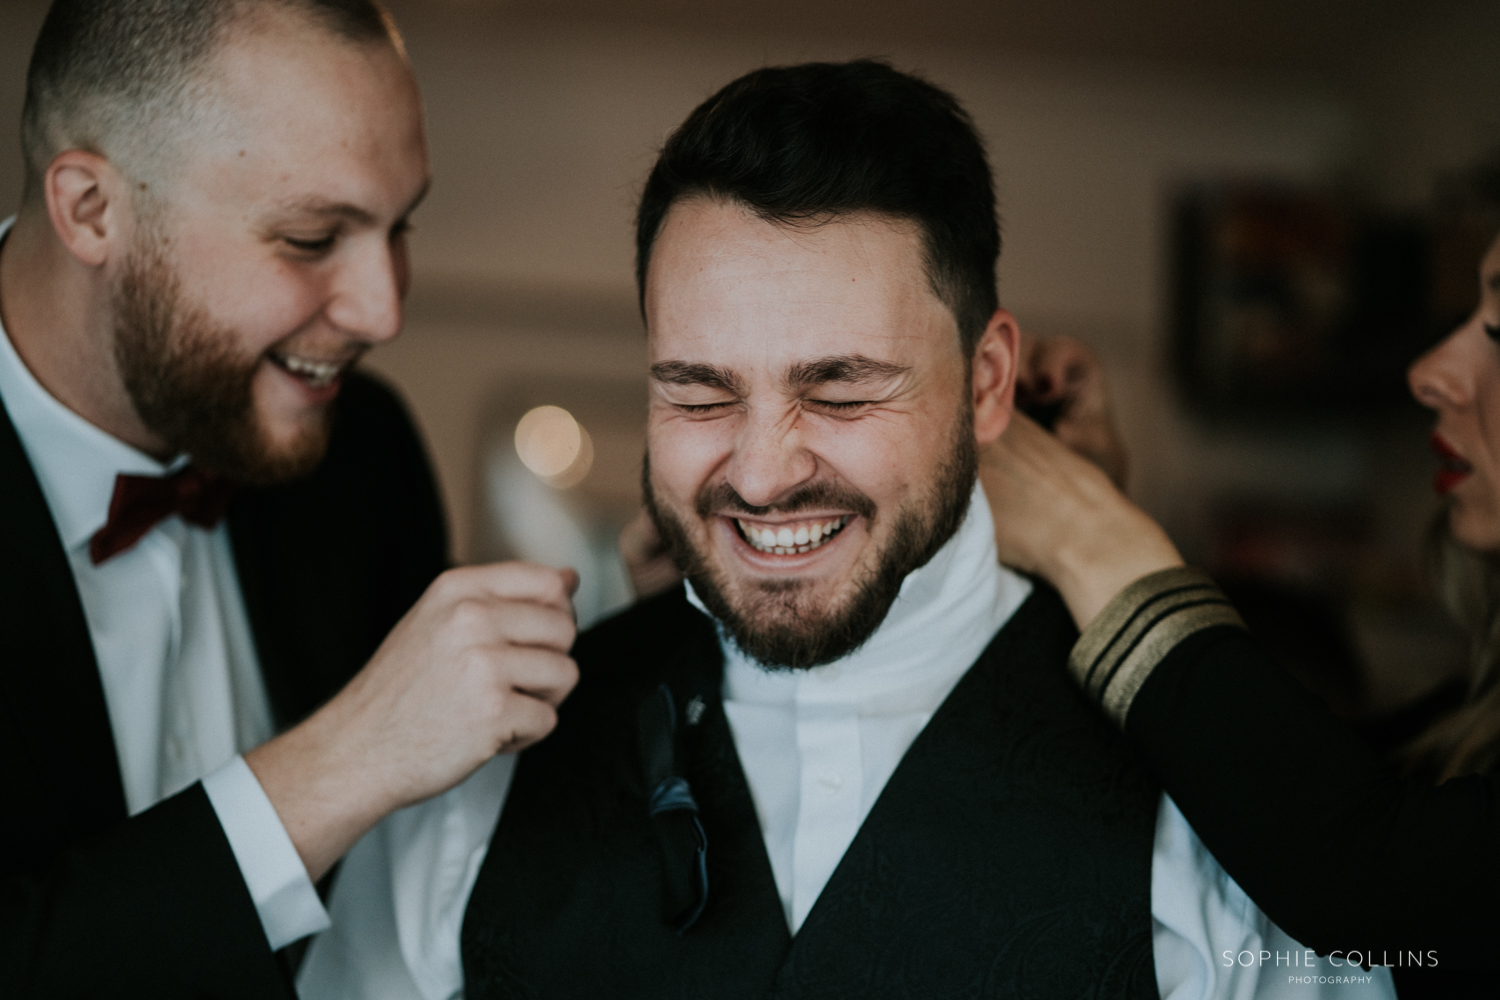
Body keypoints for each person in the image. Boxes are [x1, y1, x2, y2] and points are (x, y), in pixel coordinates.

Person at [303, 60, 1392, 999]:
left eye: (840, 390)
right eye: (697, 394)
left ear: (988, 382)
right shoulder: (480, 782)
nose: (764, 473)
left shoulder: (1219, 806)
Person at [0, 2, 579, 995]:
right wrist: (346, 760)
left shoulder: (365, 455)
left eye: (400, 227)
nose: (383, 309)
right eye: (313, 236)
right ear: (92, 209)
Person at [979, 218, 1500, 991]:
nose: (1431, 371)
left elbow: (1372, 878)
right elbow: (1293, 801)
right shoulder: (1469, 718)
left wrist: (1091, 539)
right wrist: (1093, 509)